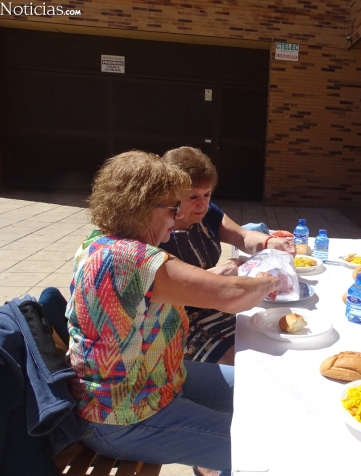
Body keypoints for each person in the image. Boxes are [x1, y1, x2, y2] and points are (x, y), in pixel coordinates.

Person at [66, 150, 280, 476]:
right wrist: (274, 277)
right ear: (140, 208)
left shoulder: (100, 242)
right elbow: (230, 295)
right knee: (260, 449)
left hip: (160, 380)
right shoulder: (131, 259)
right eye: (172, 207)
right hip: (123, 416)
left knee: (265, 387)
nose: (178, 215)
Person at [160, 146, 295, 364]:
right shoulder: (158, 230)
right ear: (171, 194)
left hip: (215, 302)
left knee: (273, 335)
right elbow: (191, 290)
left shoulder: (207, 212)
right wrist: (228, 271)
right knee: (248, 358)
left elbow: (242, 237)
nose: (202, 203)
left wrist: (269, 242)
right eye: (193, 196)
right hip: (179, 319)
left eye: (207, 194)